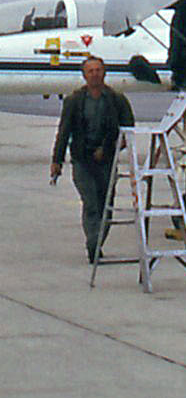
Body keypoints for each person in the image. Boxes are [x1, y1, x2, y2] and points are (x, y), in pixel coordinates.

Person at [50, 55, 135, 262]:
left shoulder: (116, 100)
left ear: (104, 73)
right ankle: (93, 244)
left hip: (106, 161)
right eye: (91, 71)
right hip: (82, 160)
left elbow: (129, 130)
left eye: (98, 70)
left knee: (106, 203)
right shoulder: (74, 101)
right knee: (91, 203)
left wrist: (112, 147)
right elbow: (64, 131)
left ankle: (98, 243)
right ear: (84, 75)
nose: (95, 74)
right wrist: (56, 160)